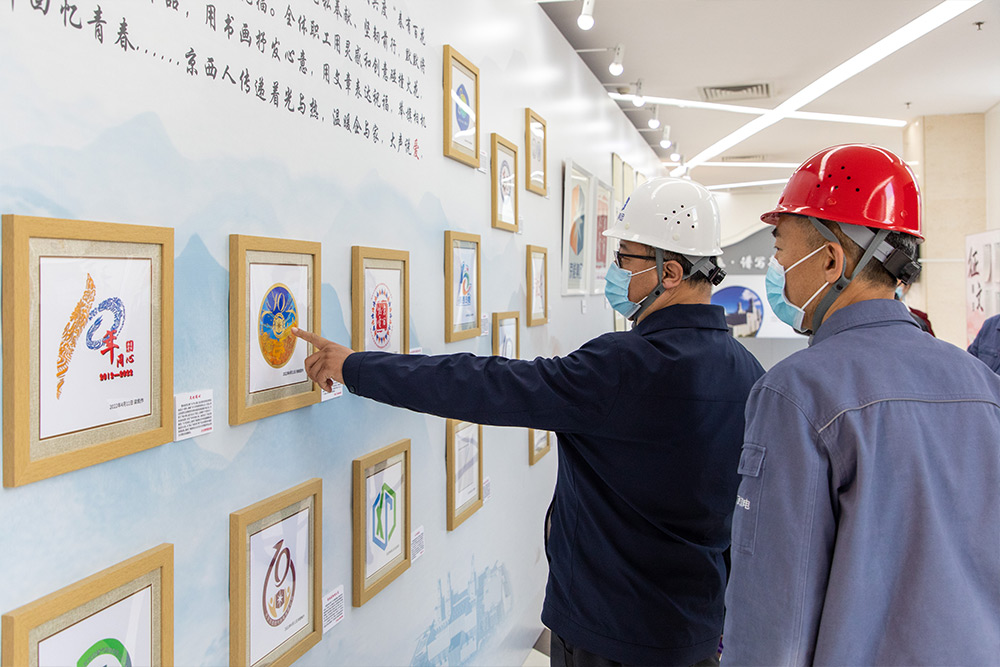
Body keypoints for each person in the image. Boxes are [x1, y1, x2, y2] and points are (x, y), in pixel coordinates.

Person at [295, 177, 765, 666]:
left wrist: (356, 367)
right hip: (696, 635)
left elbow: (486, 385)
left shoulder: (624, 366)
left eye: (624, 258)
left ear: (669, 272)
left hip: (609, 638)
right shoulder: (750, 375)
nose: (614, 271)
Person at [722, 144, 1000, 665]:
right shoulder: (981, 383)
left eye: (781, 253)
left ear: (831, 260)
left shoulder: (795, 392)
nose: (779, 271)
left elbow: (774, 616)